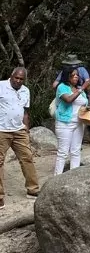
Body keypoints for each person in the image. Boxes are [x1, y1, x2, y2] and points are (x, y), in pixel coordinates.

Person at [0, 68, 40, 209]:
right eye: (16, 78)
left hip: (19, 130)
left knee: (27, 158)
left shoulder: (25, 90)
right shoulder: (1, 86)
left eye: (21, 79)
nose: (18, 81)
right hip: (2, 130)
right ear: (11, 76)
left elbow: (25, 112)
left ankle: (33, 189)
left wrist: (26, 129)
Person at [54, 68, 90, 175]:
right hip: (65, 123)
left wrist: (87, 108)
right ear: (67, 76)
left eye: (77, 75)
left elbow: (81, 104)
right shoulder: (62, 87)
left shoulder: (78, 89)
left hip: (79, 123)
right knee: (63, 152)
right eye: (73, 75)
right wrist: (83, 87)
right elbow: (69, 100)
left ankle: (73, 176)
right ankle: (57, 177)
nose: (76, 76)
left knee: (76, 151)